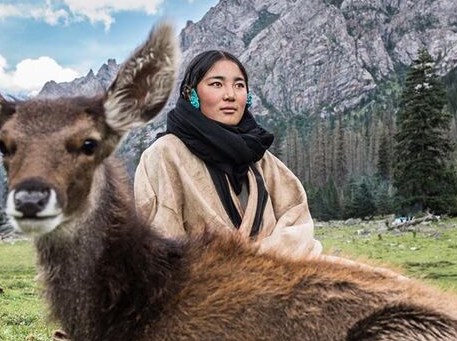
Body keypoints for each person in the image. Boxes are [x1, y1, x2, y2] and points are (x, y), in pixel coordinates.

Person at [133, 50, 322, 258]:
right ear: (191, 94)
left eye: (239, 85)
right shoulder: (165, 155)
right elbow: (161, 240)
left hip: (277, 276)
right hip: (206, 284)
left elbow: (297, 220)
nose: (230, 95)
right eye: (217, 84)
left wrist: (261, 263)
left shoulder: (261, 158)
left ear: (247, 97)